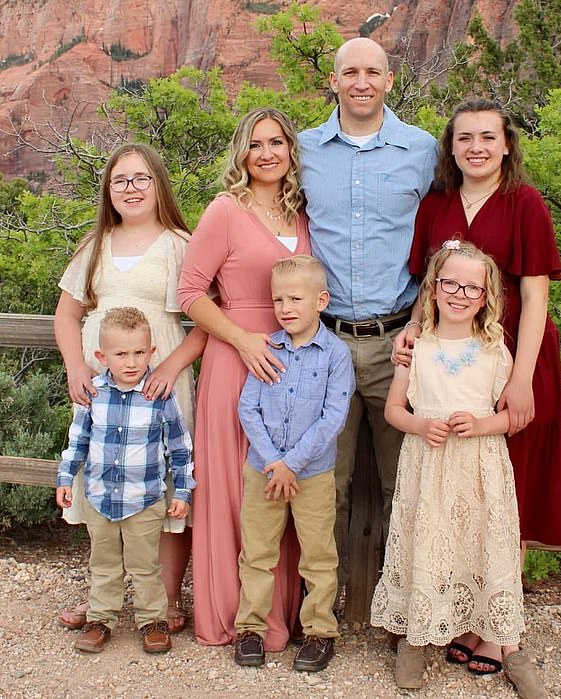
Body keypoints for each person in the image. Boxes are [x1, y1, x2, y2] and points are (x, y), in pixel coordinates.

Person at [398, 97, 561, 672]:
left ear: (506, 144)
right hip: (451, 360)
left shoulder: (524, 203)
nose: (476, 146)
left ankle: (501, 629)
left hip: (513, 358)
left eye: (487, 137)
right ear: (450, 146)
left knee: (506, 492)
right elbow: (426, 286)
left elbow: (537, 293)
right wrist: (411, 334)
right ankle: (467, 618)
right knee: (463, 493)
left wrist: (521, 380)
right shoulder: (436, 205)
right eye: (464, 137)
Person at [371, 242, 547, 699]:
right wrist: (421, 423)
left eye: (473, 287)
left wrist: (482, 423)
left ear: (486, 296)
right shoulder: (417, 348)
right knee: (425, 547)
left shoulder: (494, 350)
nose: (460, 294)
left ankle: (506, 643)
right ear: (434, 288)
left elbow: (512, 417)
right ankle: (415, 638)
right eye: (451, 283)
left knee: (481, 547)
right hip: (428, 470)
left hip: (479, 471)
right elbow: (393, 409)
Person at [298, 37, 438, 594]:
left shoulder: (423, 149)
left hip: (398, 342)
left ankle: (409, 609)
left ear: (388, 80)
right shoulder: (304, 149)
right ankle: (320, 616)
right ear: (333, 81)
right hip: (324, 344)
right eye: (349, 72)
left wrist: (428, 320)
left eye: (372, 72)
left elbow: (445, 234)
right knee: (324, 486)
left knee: (405, 482)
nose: (361, 82)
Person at [54, 143, 206, 634]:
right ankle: (103, 600)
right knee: (103, 478)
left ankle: (163, 604)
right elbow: (67, 313)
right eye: (121, 180)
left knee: (161, 485)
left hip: (160, 379)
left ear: (159, 183)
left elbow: (206, 318)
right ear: (109, 191)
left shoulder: (182, 243)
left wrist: (172, 366)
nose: (131, 188)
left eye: (141, 178)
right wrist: (76, 365)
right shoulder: (94, 243)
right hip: (102, 383)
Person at [177, 108, 311, 649]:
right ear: (242, 153)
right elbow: (190, 295)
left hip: (293, 365)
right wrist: (242, 339)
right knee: (236, 489)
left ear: (290, 150)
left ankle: (285, 612)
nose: (266, 153)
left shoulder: (302, 212)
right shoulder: (224, 211)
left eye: (276, 142)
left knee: (283, 486)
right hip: (238, 361)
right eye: (255, 144)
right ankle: (237, 618)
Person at [234, 255, 354, 672]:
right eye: (278, 299)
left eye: (295, 298)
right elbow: (248, 407)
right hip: (264, 471)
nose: (285, 308)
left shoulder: (335, 355)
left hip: (313, 474)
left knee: (319, 555)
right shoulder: (267, 347)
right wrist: (273, 461)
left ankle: (319, 632)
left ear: (321, 300)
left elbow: (333, 418)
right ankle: (250, 628)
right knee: (257, 552)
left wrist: (293, 463)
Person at [56, 307, 196, 655]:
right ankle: (101, 619)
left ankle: (152, 621)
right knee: (103, 563)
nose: (131, 362)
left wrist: (183, 491)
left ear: (152, 352)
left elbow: (179, 448)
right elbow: (78, 442)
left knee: (146, 565)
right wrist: (64, 478)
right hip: (99, 498)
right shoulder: (94, 395)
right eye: (121, 354)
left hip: (144, 500)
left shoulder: (159, 397)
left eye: (138, 353)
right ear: (102, 356)